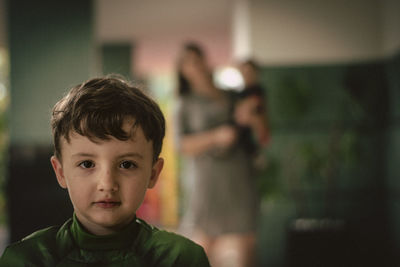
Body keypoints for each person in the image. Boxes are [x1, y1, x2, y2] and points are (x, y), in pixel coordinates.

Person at [0, 76, 210, 266]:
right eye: (87, 164)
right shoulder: (27, 260)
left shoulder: (181, 259)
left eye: (126, 164)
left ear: (153, 173)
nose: (107, 184)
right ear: (61, 172)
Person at [175, 43, 260, 267]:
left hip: (239, 174)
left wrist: (250, 116)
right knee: (204, 242)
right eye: (189, 62)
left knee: (246, 238)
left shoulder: (232, 95)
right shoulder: (185, 103)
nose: (196, 65)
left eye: (198, 59)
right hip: (209, 178)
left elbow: (258, 130)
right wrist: (216, 137)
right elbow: (181, 145)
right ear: (183, 70)